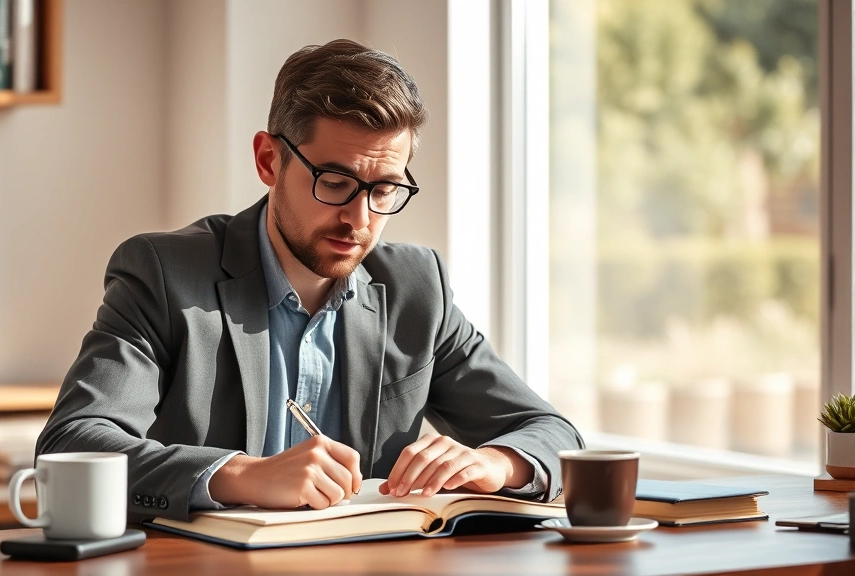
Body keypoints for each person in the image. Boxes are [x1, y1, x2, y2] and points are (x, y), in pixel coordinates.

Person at [36, 38, 583, 523]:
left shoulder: (417, 287)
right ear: (269, 160)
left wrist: (495, 462)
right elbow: (71, 445)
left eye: (384, 189)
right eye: (336, 180)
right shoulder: (164, 274)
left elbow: (555, 434)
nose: (360, 219)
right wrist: (240, 475)